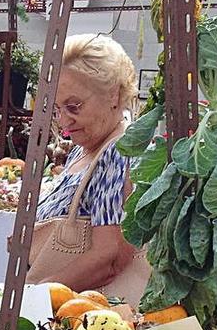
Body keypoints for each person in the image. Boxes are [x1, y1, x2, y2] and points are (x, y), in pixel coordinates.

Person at [29, 34, 149, 301]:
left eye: (74, 106)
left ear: (114, 96)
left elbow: (109, 258)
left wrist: (35, 296)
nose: (63, 120)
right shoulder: (86, 149)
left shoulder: (118, 152)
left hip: (87, 317)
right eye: (57, 108)